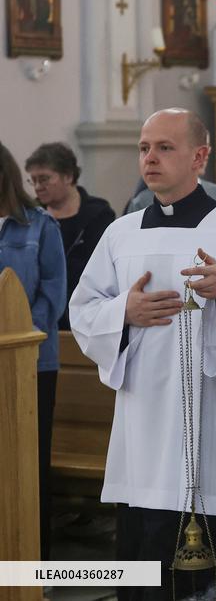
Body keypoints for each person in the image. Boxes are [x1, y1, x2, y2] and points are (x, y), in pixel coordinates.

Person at [69, 108, 216, 601]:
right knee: (143, 566)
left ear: (199, 156)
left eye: (165, 147)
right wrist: (126, 309)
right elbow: (83, 310)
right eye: (144, 148)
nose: (150, 158)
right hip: (143, 432)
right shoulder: (120, 234)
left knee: (214, 577)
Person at [0, 141, 66, 561]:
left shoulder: (38, 226)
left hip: (32, 362)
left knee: (28, 469)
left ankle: (33, 569)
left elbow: (53, 294)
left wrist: (20, 338)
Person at [25, 142, 115, 330]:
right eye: (33, 180)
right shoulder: (29, 217)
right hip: (39, 318)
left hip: (86, 315)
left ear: (68, 176)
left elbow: (103, 272)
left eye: (44, 179)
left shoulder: (99, 215)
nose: (37, 187)